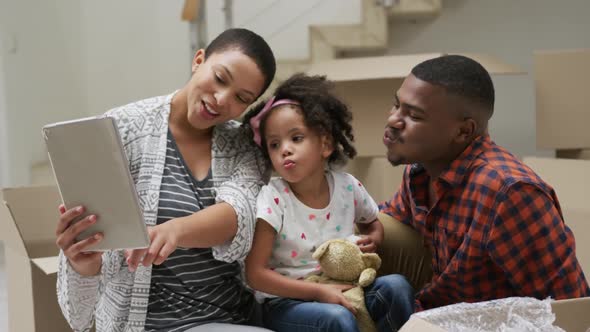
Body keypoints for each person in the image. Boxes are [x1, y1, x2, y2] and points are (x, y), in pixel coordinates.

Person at [55, 28, 277, 332]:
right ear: (198, 60)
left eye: (241, 98)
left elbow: (240, 214)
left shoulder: (244, 145)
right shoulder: (121, 129)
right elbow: (82, 302)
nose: (222, 99)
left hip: (234, 318)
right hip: (149, 323)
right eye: (220, 78)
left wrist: (174, 230)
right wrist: (83, 263)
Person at [379, 54, 590, 311]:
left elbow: (571, 306)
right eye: (396, 105)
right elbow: (387, 225)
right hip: (433, 317)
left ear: (463, 131)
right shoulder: (419, 171)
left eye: (415, 116)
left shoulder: (510, 193)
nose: (393, 120)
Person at [242, 74, 415, 332]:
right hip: (287, 303)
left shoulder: (348, 187)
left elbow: (372, 224)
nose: (284, 150)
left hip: (347, 287)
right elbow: (255, 274)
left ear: (325, 144)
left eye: (296, 138)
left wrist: (374, 240)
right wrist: (317, 292)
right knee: (336, 318)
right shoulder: (273, 197)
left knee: (397, 286)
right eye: (274, 144)